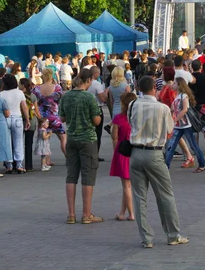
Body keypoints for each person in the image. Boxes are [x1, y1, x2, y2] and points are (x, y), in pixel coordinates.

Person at [128, 75, 189, 247]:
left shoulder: (133, 105)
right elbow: (170, 131)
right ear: (154, 87)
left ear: (139, 88)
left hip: (136, 153)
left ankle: (146, 239)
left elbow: (130, 124)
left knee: (140, 198)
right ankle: (173, 234)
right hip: (154, 153)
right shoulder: (162, 108)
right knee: (165, 195)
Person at [59, 68, 103, 225]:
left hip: (71, 138)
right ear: (89, 80)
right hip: (88, 139)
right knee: (88, 177)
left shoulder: (66, 96)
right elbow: (96, 121)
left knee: (71, 176)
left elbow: (62, 118)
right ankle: (86, 214)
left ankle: (71, 214)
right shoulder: (89, 98)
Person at [165, 78, 205, 173]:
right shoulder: (177, 96)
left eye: (175, 83)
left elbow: (185, 110)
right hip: (178, 126)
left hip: (186, 125)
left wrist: (175, 120)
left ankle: (202, 164)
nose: (173, 85)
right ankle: (165, 167)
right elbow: (173, 109)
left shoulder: (184, 96)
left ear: (179, 85)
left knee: (193, 145)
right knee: (171, 146)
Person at [109, 92, 137, 221]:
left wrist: (116, 150)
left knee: (126, 186)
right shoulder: (137, 117)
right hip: (135, 151)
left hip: (122, 151)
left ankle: (131, 214)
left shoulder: (119, 118)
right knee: (128, 185)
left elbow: (114, 136)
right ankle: (122, 212)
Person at [0, 74, 30, 173]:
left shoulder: (1, 94)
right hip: (17, 118)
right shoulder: (19, 93)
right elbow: (24, 107)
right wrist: (28, 119)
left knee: (7, 142)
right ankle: (19, 164)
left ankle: (9, 165)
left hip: (5, 119)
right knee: (19, 141)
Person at [33, 68, 67, 157]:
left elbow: (33, 101)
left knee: (45, 139)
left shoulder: (37, 89)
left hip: (42, 117)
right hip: (54, 116)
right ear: (52, 76)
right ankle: (68, 156)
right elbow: (63, 99)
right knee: (63, 137)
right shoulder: (57, 88)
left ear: (43, 76)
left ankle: (46, 161)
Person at [87, 66, 107, 161]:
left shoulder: (86, 83)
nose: (99, 75)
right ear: (95, 74)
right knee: (97, 133)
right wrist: (106, 95)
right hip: (97, 109)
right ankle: (95, 154)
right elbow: (102, 98)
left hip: (86, 109)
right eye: (98, 73)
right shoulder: (97, 84)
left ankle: (87, 153)